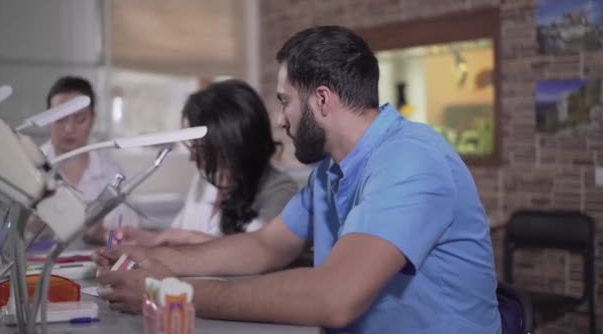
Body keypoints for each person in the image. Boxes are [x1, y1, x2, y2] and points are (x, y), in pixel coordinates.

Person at [95, 26, 501, 334]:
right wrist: (163, 261)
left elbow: (333, 296)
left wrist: (171, 290)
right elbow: (264, 246)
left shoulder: (411, 160)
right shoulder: (329, 173)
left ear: (322, 100)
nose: (279, 119)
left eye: (285, 101)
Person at [119, 80, 298, 246]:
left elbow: (254, 253)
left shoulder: (280, 190)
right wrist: (146, 240)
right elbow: (175, 236)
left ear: (232, 144)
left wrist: (185, 238)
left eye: (202, 150)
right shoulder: (205, 180)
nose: (192, 159)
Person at [39, 76, 139, 244]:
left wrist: (100, 233)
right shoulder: (28, 168)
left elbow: (131, 237)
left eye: (79, 119)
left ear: (93, 119)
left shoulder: (112, 174)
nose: (69, 128)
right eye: (60, 118)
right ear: (47, 118)